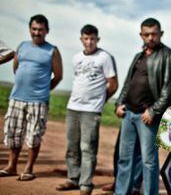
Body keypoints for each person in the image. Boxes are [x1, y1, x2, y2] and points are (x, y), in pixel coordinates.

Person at [115, 18, 171, 195]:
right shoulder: (139, 56)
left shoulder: (170, 57)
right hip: (128, 114)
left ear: (161, 34)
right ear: (141, 35)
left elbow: (170, 90)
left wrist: (153, 111)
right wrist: (119, 103)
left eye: (154, 34)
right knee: (125, 159)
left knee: (149, 162)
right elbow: (128, 83)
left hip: (148, 117)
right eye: (147, 34)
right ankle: (121, 192)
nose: (150, 37)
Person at [56, 24, 118, 195]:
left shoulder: (104, 57)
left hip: (91, 111)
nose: (89, 42)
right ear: (81, 39)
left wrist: (99, 101)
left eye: (92, 39)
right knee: (72, 146)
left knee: (87, 148)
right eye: (86, 38)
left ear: (97, 40)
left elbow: (113, 84)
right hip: (73, 107)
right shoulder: (76, 58)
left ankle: (86, 184)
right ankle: (72, 179)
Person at [0, 14, 63, 181]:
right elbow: (16, 68)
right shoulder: (22, 46)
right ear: (30, 29)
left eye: (40, 30)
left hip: (38, 101)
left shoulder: (52, 50)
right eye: (34, 29)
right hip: (17, 98)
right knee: (13, 133)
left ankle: (28, 169)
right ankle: (11, 166)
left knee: (34, 135)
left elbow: (58, 76)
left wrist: (42, 91)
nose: (37, 32)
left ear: (47, 31)